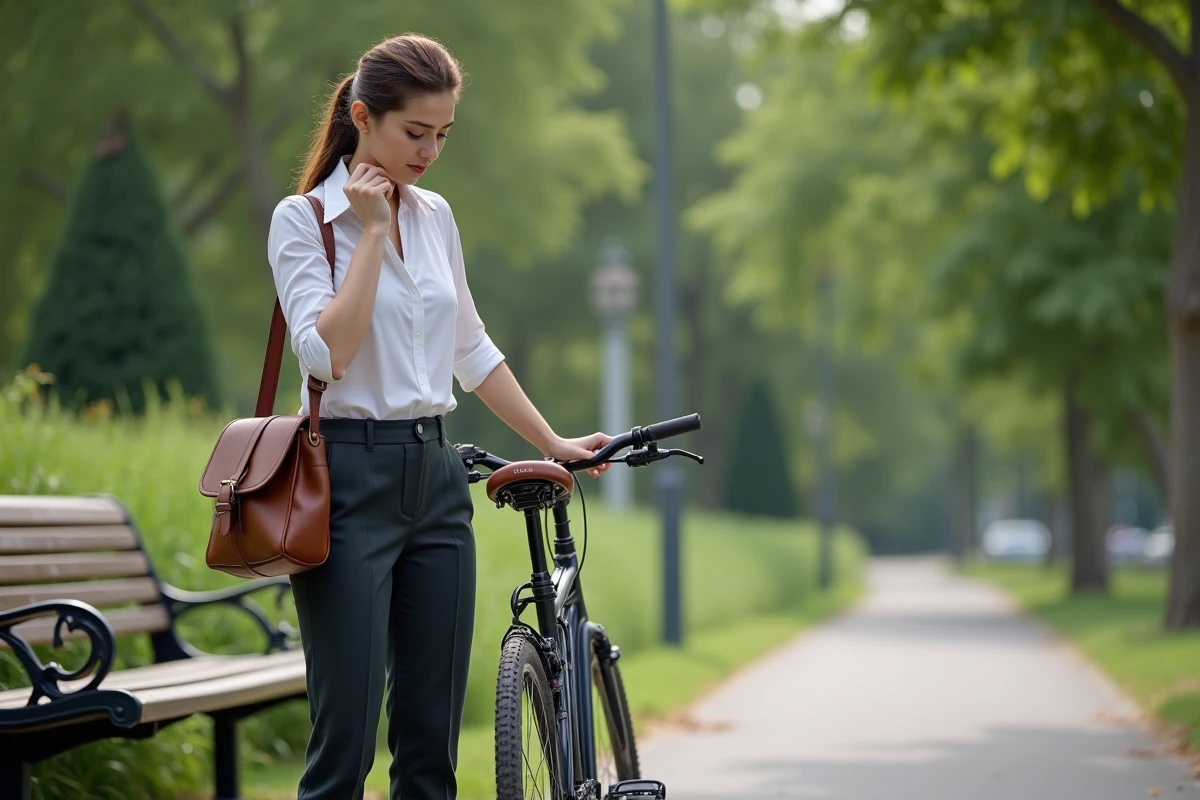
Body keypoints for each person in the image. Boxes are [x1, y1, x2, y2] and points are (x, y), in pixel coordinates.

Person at [268, 33, 611, 800]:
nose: (429, 152)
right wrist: (371, 234)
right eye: (415, 132)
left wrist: (553, 441)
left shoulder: (436, 217)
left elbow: (471, 348)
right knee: (344, 744)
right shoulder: (305, 220)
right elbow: (328, 356)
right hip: (345, 482)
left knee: (430, 749)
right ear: (363, 117)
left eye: (443, 135)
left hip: (435, 480)